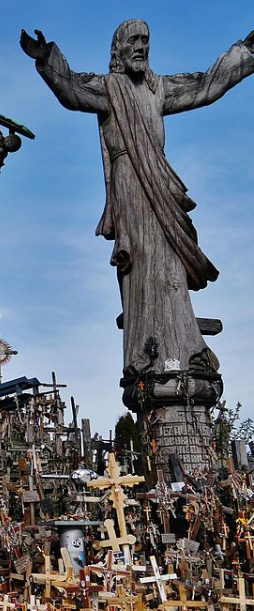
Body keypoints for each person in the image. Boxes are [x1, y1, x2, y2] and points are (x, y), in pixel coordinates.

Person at [21, 20, 254, 379]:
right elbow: (70, 91)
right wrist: (48, 58)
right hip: (131, 185)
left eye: (146, 40)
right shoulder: (107, 88)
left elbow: (208, 84)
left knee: (171, 266)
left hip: (160, 183)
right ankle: (145, 348)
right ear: (118, 49)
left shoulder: (159, 88)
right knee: (142, 261)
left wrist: (245, 53)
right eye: (134, 40)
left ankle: (185, 344)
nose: (142, 47)